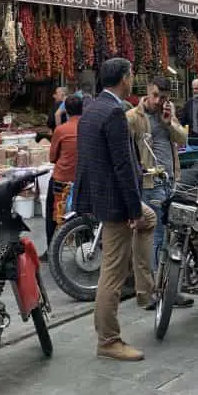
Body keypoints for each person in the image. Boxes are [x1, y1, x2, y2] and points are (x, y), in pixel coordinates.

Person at [73, 57, 157, 362]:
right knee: (112, 272)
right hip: (115, 202)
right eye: (131, 74)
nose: (132, 79)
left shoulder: (92, 109)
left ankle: (146, 288)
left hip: (99, 197)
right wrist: (132, 208)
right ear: (124, 78)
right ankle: (108, 339)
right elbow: (122, 166)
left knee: (150, 219)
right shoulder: (113, 112)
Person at [126, 77, 190, 295]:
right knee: (156, 236)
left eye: (163, 97)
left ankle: (164, 286)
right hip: (149, 183)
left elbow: (182, 140)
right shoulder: (134, 117)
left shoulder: (166, 114)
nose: (158, 101)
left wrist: (168, 122)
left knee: (169, 237)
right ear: (147, 92)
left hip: (170, 181)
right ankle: (155, 288)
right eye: (155, 96)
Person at [43, 94, 83, 260]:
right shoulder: (88, 127)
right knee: (83, 214)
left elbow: (52, 158)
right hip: (82, 179)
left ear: (66, 110)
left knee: (53, 213)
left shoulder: (61, 130)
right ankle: (83, 247)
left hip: (62, 179)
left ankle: (51, 250)